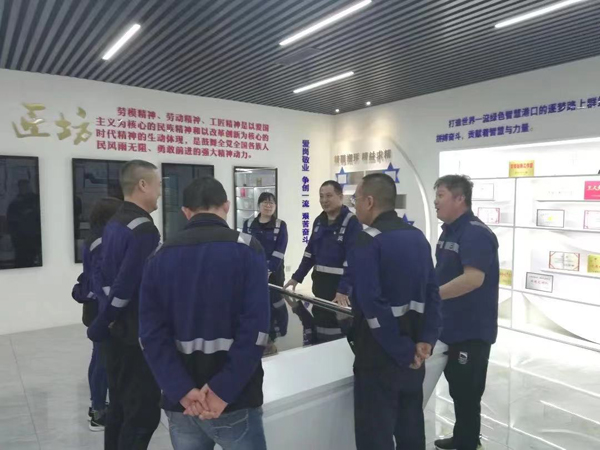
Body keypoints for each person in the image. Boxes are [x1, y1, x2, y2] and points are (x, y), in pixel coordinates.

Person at [139, 176, 270, 450]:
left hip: (183, 404)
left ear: (186, 212)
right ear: (227, 206)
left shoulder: (159, 256)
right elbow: (256, 331)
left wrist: (182, 390)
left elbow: (150, 335)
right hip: (235, 399)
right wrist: (223, 390)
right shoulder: (247, 250)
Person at [348, 173, 442, 450]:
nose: (355, 206)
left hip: (379, 357)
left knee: (374, 436)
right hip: (415, 355)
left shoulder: (368, 240)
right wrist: (426, 341)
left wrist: (403, 351)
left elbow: (372, 307)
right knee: (410, 430)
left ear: (369, 201)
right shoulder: (417, 237)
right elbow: (433, 293)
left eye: (356, 200)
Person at [87, 160, 162, 450]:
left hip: (116, 334)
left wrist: (105, 319)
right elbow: (126, 285)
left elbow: (102, 278)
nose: (159, 192)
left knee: (118, 408)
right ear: (142, 185)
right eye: (157, 185)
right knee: (142, 415)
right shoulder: (144, 229)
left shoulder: (115, 222)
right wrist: (106, 318)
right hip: (134, 335)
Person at [433, 175, 499, 450]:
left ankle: (468, 443)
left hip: (471, 329)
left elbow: (473, 279)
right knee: (458, 389)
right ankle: (464, 438)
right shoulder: (448, 231)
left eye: (441, 195)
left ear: (460, 198)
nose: (436, 202)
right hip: (450, 325)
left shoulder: (476, 233)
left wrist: (433, 296)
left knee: (468, 393)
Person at [284, 180, 361, 344]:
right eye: (321, 196)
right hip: (320, 289)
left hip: (341, 293)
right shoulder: (319, 221)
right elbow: (309, 254)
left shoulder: (352, 222)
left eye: (329, 196)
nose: (324, 200)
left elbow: (353, 260)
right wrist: (296, 277)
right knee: (320, 331)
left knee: (340, 338)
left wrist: (343, 290)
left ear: (340, 196)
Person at [72, 197, 123, 431]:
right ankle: (98, 412)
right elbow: (103, 279)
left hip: (94, 309)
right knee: (102, 360)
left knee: (99, 357)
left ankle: (98, 404)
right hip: (101, 309)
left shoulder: (95, 237)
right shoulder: (102, 241)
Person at [243, 192, 288, 355]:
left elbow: (280, 250)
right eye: (265, 203)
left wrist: (268, 269)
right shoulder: (248, 224)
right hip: (253, 272)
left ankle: (272, 328)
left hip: (274, 273)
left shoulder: (280, 225)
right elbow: (245, 247)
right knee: (256, 302)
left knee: (276, 303)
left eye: (271, 203)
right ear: (259, 205)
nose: (268, 206)